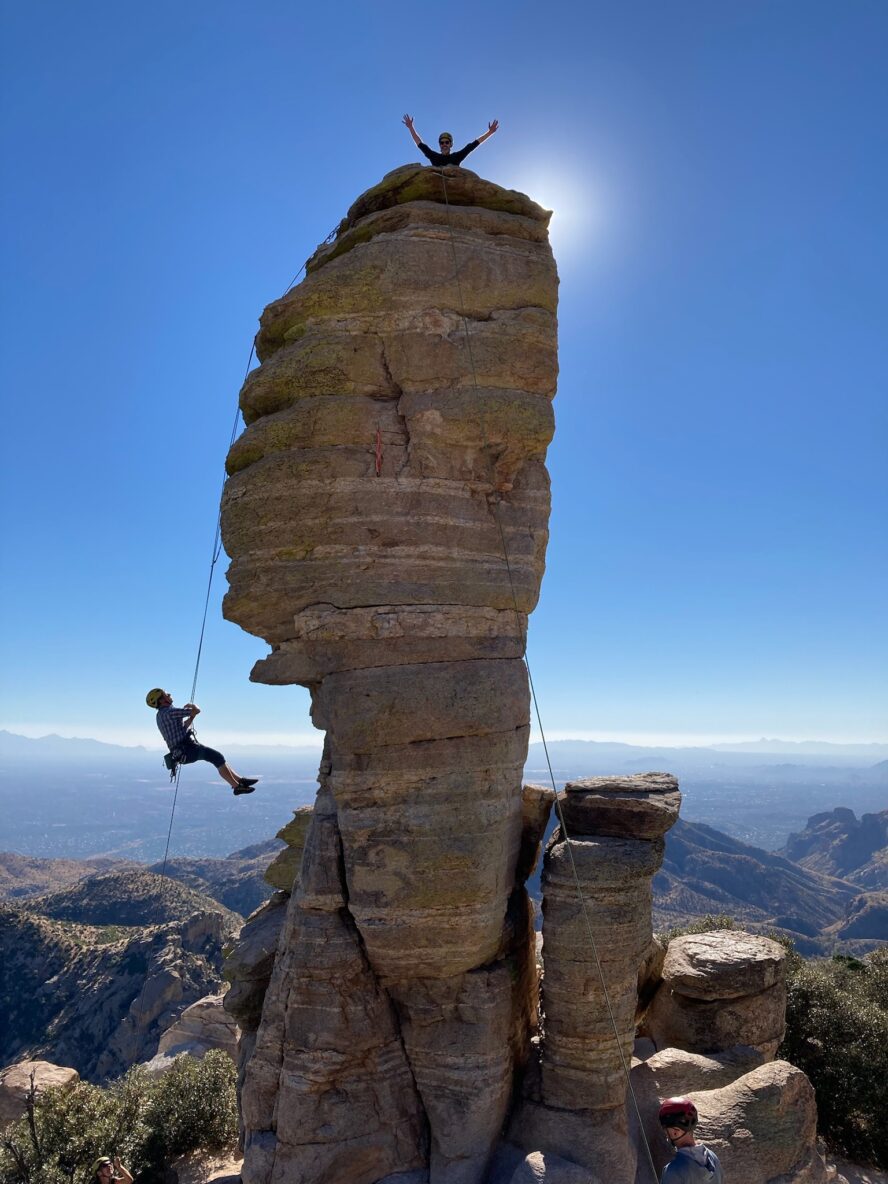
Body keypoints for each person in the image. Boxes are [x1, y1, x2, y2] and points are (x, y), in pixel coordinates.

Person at [145, 688, 258, 795]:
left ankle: (240, 781)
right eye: (166, 694)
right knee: (217, 757)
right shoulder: (170, 712)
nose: (169, 695)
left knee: (218, 758)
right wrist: (193, 706)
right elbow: (196, 710)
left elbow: (182, 728)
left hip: (183, 750)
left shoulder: (160, 715)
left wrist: (191, 717)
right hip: (187, 749)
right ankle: (236, 786)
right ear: (161, 700)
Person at [658, 1097, 723, 1184]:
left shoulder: (673, 1171)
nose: (666, 1134)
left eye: (666, 1130)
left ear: (675, 1132)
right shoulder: (713, 1158)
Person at [402, 114, 499, 167]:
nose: (444, 144)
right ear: (439, 145)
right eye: (442, 142)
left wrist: (489, 133)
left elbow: (473, 145)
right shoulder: (434, 156)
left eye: (447, 142)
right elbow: (420, 143)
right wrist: (411, 127)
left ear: (451, 144)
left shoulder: (456, 156)